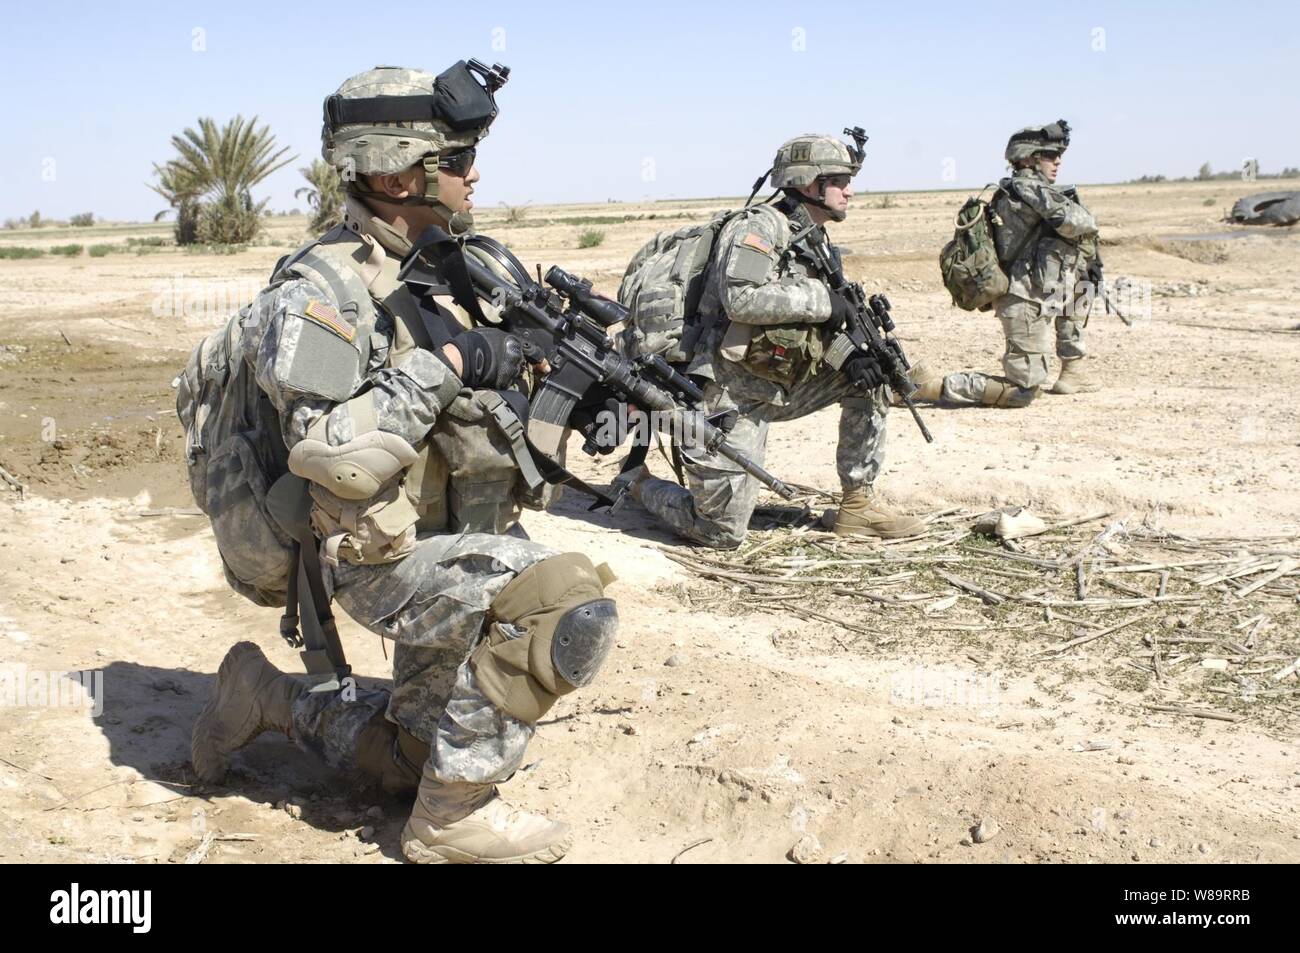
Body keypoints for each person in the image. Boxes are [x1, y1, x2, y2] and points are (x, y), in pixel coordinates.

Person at [189, 63, 618, 865]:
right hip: (366, 553)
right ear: (395, 172)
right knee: (564, 601)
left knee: (403, 760)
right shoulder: (321, 294)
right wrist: (452, 359)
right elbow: (334, 459)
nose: (474, 174)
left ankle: (267, 697)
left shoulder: (452, 265)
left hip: (441, 526)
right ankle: (447, 824)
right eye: (455, 160)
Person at [623, 133, 926, 548]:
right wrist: (824, 301)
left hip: (776, 381)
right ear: (808, 183)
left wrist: (848, 358)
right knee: (721, 532)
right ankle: (637, 481)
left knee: (874, 375)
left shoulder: (813, 239)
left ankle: (857, 504)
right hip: (725, 396)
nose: (850, 190)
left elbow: (804, 330)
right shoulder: (759, 227)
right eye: (839, 180)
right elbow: (741, 299)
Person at [916, 120, 1102, 407]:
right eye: (1050, 155)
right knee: (1023, 390)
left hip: (1041, 291)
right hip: (1023, 298)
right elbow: (1080, 222)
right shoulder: (1027, 188)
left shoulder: (1028, 189)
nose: (1058, 162)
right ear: (1029, 158)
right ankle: (927, 386)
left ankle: (1074, 370)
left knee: (1084, 281)